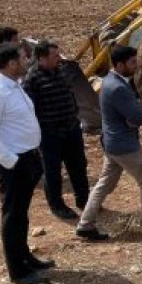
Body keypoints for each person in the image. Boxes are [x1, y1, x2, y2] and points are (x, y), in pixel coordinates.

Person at [76, 45, 142, 241]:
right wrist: (136, 113)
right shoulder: (119, 88)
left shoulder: (109, 81)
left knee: (104, 184)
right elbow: (138, 117)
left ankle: (85, 224)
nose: (136, 65)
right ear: (120, 65)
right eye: (132, 62)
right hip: (124, 145)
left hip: (111, 143)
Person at [0, 43, 53, 284]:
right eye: (22, 58)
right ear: (10, 64)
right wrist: (13, 162)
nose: (27, 60)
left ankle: (25, 257)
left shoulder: (12, 85)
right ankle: (18, 271)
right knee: (13, 215)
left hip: (27, 157)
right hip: (13, 163)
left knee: (21, 214)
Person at [24, 40, 89, 221]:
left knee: (78, 166)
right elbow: (30, 109)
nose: (59, 58)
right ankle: (57, 205)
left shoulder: (60, 72)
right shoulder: (33, 79)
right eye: (55, 56)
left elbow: (71, 97)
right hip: (50, 134)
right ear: (42, 58)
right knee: (53, 172)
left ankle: (84, 200)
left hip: (71, 130)